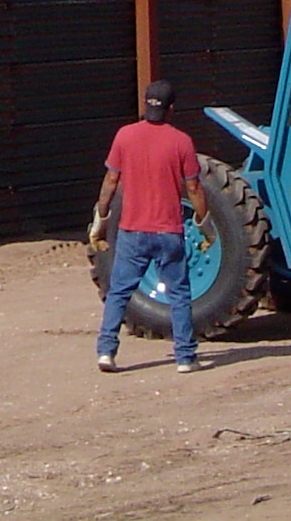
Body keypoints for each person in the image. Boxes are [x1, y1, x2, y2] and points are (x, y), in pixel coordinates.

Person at [89, 79, 216, 374]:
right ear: (171, 109)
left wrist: (101, 218)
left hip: (132, 231)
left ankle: (106, 352)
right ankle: (185, 357)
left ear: (146, 104)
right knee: (179, 295)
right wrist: (205, 224)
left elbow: (110, 181)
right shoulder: (181, 141)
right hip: (168, 231)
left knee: (119, 292)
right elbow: (194, 187)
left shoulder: (124, 136)